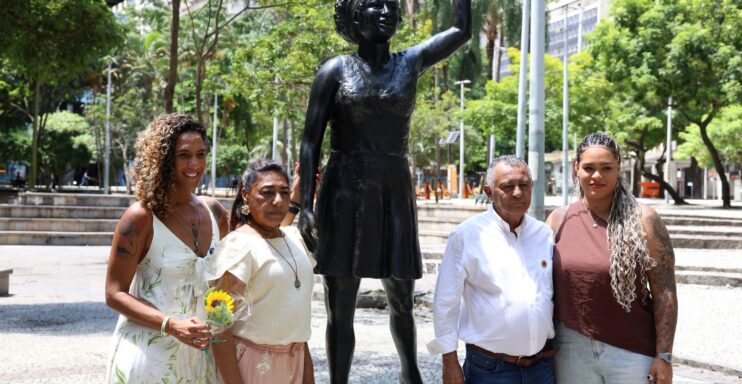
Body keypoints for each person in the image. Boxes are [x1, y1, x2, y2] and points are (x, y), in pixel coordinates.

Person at [297, 0, 471, 381]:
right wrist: (305, 205)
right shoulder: (334, 71)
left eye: (391, 5)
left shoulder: (410, 62)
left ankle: (411, 375)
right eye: (375, 5)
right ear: (355, 17)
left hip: (393, 185)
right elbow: (310, 143)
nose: (386, 11)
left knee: (402, 298)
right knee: (340, 303)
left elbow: (461, 31)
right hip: (344, 188)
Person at [105, 113, 230, 383]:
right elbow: (114, 293)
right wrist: (171, 325)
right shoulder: (140, 218)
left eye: (201, 154)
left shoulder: (215, 212)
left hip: (202, 359)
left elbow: (245, 255)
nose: (194, 163)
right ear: (163, 160)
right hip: (150, 359)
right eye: (184, 155)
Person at [547, 132, 678, 384]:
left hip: (631, 353)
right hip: (571, 350)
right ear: (576, 169)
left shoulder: (644, 221)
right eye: (589, 168)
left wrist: (663, 356)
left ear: (619, 169)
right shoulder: (558, 220)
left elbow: (665, 293)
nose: (597, 176)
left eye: (606, 168)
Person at [428, 155, 556, 384]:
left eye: (524, 185)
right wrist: (449, 362)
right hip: (491, 370)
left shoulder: (544, 234)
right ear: (489, 192)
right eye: (508, 186)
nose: (518, 192)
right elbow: (446, 303)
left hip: (541, 367)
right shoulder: (466, 236)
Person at [205, 159, 316, 384]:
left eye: (284, 192)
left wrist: (306, 371)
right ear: (246, 196)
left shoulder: (293, 239)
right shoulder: (237, 247)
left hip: (296, 359)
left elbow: (296, 315)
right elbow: (218, 327)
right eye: (267, 192)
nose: (277, 200)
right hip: (252, 366)